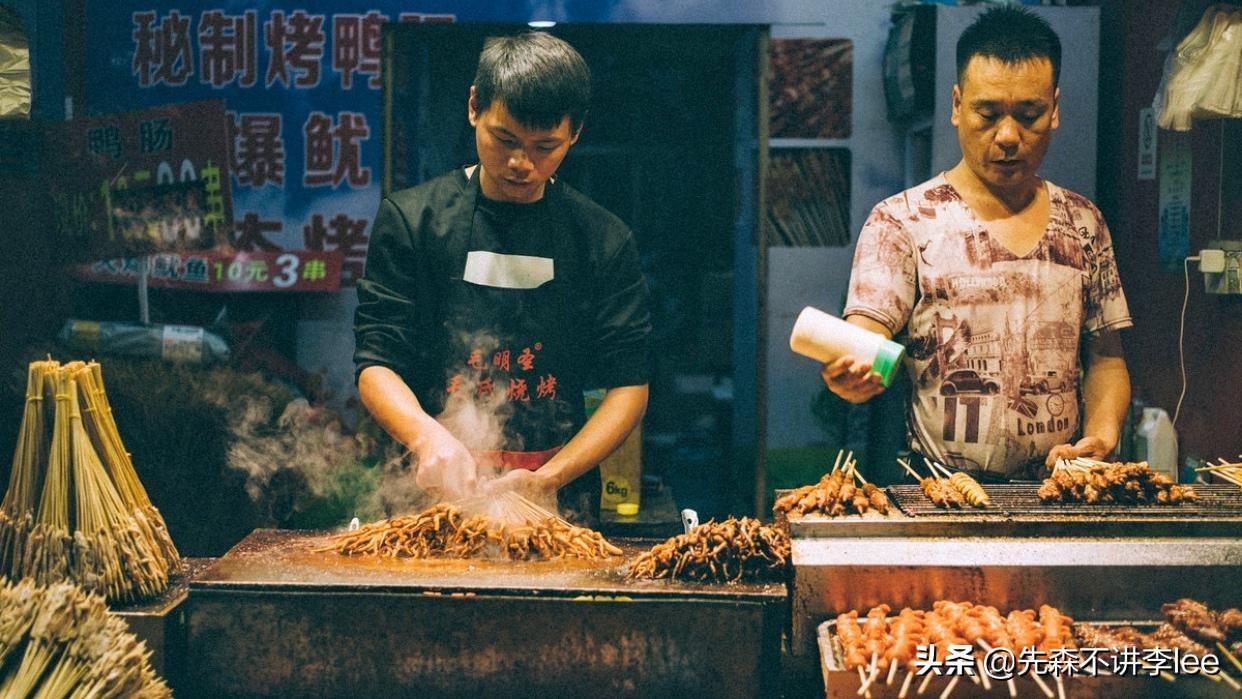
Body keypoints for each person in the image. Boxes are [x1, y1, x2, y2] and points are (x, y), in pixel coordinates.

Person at [822, 6, 1132, 480]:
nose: (1008, 136)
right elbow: (866, 337)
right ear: (956, 104)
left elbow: (1106, 358)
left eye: (1029, 115)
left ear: (1055, 109)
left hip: (1059, 489)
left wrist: (1103, 436)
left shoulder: (1083, 222)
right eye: (987, 114)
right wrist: (853, 374)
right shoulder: (902, 220)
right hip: (939, 492)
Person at [354, 32, 652, 516]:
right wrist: (428, 435)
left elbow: (629, 384)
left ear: (575, 133)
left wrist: (551, 477)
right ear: (474, 106)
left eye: (544, 146)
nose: (521, 163)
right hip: (427, 502)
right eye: (504, 139)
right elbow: (375, 362)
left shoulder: (601, 239)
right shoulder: (413, 222)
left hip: (556, 506)